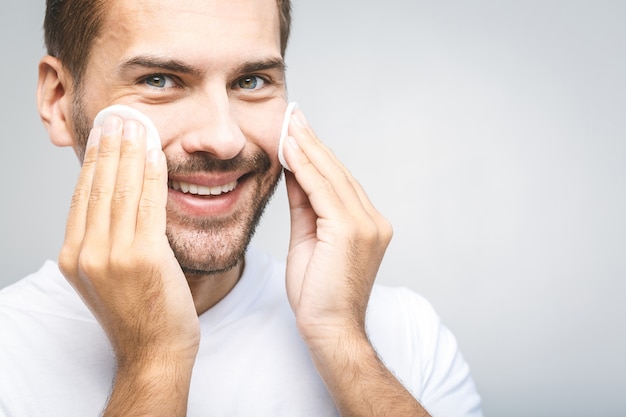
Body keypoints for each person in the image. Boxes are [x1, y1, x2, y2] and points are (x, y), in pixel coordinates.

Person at [0, 0, 483, 416]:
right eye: (160, 79)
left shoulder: (403, 335)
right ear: (59, 101)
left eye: (251, 81)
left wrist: (344, 344)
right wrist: (153, 364)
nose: (224, 139)